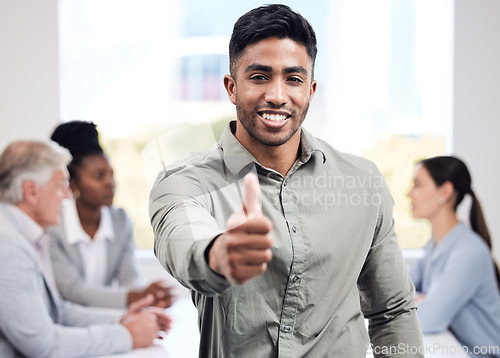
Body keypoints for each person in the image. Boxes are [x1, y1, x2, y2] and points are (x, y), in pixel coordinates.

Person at [149, 4, 423, 357]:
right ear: (231, 87)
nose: (277, 95)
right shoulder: (185, 182)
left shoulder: (363, 182)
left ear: (310, 89)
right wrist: (218, 254)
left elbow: (393, 312)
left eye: (293, 79)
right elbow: (183, 240)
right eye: (260, 77)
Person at [0, 140, 171, 358]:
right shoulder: (8, 246)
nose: (66, 196)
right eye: (60, 186)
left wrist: (121, 319)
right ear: (31, 192)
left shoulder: (25, 234)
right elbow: (44, 345)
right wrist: (127, 335)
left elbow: (55, 311)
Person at [48, 120, 174, 309]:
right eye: (99, 176)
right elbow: (74, 291)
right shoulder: (54, 225)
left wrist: (150, 296)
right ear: (73, 183)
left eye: (111, 174)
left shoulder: (120, 221)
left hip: (107, 320)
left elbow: (129, 279)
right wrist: (136, 296)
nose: (110, 183)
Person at [407, 155, 500, 357]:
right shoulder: (434, 247)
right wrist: (421, 300)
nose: (409, 194)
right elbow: (398, 292)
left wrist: (425, 302)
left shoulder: (469, 251)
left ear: (445, 192)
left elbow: (428, 319)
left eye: (417, 185)